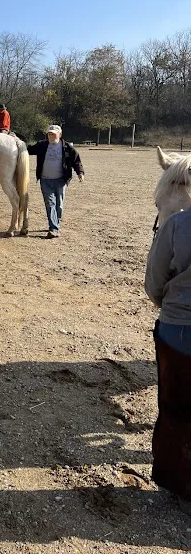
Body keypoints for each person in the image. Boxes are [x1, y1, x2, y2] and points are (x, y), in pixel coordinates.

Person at [145, 209, 191, 515]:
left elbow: (154, 282)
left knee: (176, 408)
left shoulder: (177, 223)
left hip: (180, 328)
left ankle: (180, 482)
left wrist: (171, 305)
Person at [26, 124, 84, 238]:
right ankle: (53, 228)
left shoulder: (67, 147)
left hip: (61, 180)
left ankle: (55, 222)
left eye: (53, 134)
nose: (51, 136)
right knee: (50, 203)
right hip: (45, 180)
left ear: (60, 134)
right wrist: (17, 140)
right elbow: (29, 149)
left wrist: (80, 173)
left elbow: (76, 161)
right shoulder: (42, 145)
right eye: (49, 134)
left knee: (59, 205)